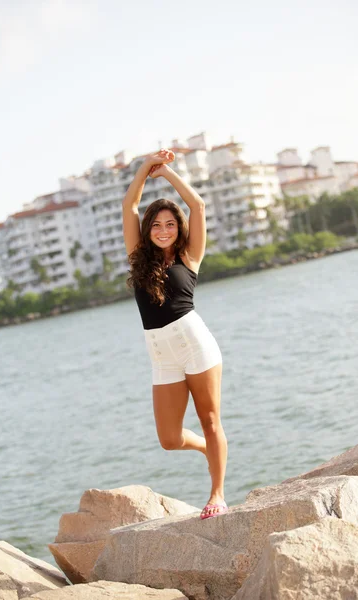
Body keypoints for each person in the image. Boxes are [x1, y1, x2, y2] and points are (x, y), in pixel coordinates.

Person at [122, 148, 228, 519]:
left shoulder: (189, 257)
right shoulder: (138, 256)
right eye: (157, 225)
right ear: (148, 230)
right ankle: (206, 449)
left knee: (210, 420)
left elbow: (197, 206)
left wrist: (166, 173)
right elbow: (129, 206)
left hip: (194, 344)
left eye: (170, 224)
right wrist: (144, 166)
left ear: (178, 228)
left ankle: (217, 493)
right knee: (169, 439)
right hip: (161, 354)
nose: (164, 231)